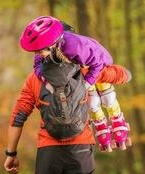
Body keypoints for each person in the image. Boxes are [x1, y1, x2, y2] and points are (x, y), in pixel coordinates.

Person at [21, 16, 131, 152]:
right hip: (79, 65)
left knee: (105, 97)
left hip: (96, 62)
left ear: (52, 45)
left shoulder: (76, 48)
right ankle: (99, 119)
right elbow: (37, 66)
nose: (37, 54)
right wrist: (45, 80)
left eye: (39, 51)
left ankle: (116, 116)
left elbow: (96, 65)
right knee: (92, 102)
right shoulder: (43, 49)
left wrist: (86, 83)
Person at [4, 60, 96, 174]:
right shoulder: (85, 73)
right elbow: (118, 75)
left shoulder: (35, 78)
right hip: (81, 148)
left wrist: (11, 154)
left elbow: (18, 117)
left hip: (49, 150)